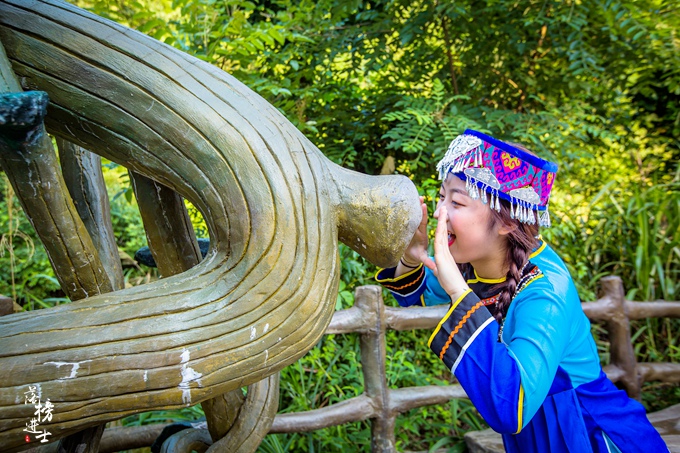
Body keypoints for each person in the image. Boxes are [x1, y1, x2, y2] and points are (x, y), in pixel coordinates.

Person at [375, 130, 668, 452]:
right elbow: (414, 298)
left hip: (586, 432)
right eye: (441, 196)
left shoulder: (545, 290)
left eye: (456, 201)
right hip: (533, 433)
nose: (439, 212)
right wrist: (411, 257)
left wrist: (458, 290)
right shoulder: (475, 260)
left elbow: (510, 405)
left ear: (507, 222)